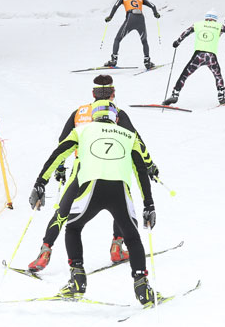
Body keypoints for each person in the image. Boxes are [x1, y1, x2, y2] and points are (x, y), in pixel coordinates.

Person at [29, 99, 163, 305]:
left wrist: (40, 183)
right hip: (119, 190)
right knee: (133, 237)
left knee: (73, 228)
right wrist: (149, 204)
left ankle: (77, 279)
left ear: (95, 115)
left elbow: (58, 154)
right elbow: (141, 169)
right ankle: (142, 287)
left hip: (90, 188)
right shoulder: (129, 136)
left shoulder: (83, 130)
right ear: (115, 118)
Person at [162, 9, 225, 106]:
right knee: (217, 75)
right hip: (211, 56)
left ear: (206, 18)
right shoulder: (219, 26)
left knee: (184, 74)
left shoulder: (198, 24)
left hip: (198, 56)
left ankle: (175, 94)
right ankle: (221, 97)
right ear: (215, 19)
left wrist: (177, 42)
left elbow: (186, 32)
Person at [103, 0, 161, 69]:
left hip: (131, 17)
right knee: (144, 41)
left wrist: (110, 17)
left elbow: (115, 6)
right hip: (141, 18)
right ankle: (147, 61)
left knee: (117, 39)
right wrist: (155, 13)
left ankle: (113, 60)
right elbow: (153, 5)